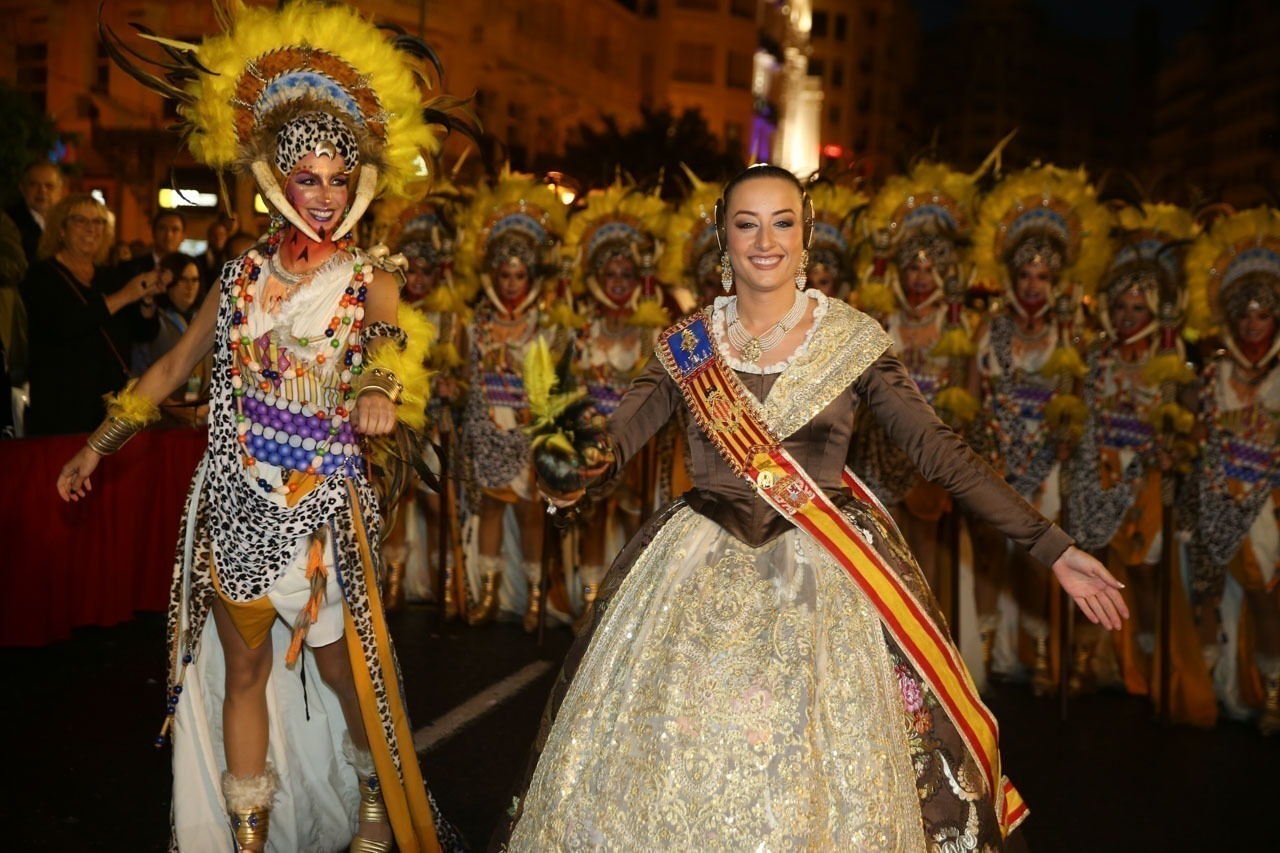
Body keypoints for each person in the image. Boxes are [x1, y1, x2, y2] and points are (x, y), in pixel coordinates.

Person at [507, 165, 1128, 849]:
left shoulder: (852, 341)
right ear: (724, 239)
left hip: (823, 583)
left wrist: (1054, 548)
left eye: (783, 222)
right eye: (747, 223)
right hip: (692, 577)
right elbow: (614, 443)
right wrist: (567, 464)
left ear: (805, 240)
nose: (765, 240)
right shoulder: (686, 345)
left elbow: (940, 452)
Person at [58, 2, 473, 849]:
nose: (320, 196)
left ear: (358, 181)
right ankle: (248, 834)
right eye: (306, 177)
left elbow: (387, 350)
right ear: (277, 179)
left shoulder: (372, 279)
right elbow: (173, 367)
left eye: (334, 177)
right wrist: (96, 446)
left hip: (321, 511)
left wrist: (378, 391)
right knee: (242, 669)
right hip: (237, 497)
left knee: (336, 666)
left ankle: (368, 794)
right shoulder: (244, 271)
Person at [969, 164, 1113, 693]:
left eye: (1043, 276)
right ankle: (982, 657)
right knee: (987, 556)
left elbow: (1078, 407)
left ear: (1058, 282)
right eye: (1025, 275)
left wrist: (1063, 440)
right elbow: (971, 395)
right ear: (1011, 276)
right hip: (994, 459)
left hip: (1047, 463)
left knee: (1043, 558)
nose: (1033, 285)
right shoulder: (990, 329)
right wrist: (984, 443)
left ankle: (1047, 655)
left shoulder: (1071, 332)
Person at [456, 171, 568, 629]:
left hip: (526, 435)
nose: (512, 283)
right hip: (487, 432)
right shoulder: (474, 325)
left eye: (520, 275)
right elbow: (464, 377)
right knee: (488, 509)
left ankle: (537, 599)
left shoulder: (548, 324)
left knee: (529, 516)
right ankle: (486, 594)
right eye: (505, 275)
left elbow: (555, 386)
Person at [1185, 206, 1280, 735]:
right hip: (1215, 493)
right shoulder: (1214, 370)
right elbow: (1198, 432)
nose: (1250, 323)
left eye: (1261, 314)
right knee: (1208, 592)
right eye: (1243, 313)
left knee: (1266, 596)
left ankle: (1271, 693)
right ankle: (1207, 686)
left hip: (1267, 502)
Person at [562, 181, 670, 628]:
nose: (620, 285)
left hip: (636, 445)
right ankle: (590, 601)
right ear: (598, 279)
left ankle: (627, 602)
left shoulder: (652, 333)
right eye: (612, 277)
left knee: (633, 521)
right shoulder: (582, 329)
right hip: (593, 444)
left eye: (627, 277)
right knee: (593, 519)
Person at [21, 192, 163, 435]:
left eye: (98, 222)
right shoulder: (41, 276)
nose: (91, 229)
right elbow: (64, 325)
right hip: (61, 410)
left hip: (110, 412)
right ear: (61, 229)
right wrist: (125, 296)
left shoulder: (110, 276)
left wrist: (147, 300)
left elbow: (143, 332)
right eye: (81, 221)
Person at [132, 252, 212, 426]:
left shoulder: (205, 320)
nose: (190, 287)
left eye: (195, 280)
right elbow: (136, 374)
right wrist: (172, 407)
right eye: (183, 280)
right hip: (157, 422)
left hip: (198, 418)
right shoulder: (152, 320)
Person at [6, 161, 64, 262]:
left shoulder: (69, 220)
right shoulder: (8, 223)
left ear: (60, 191)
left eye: (49, 186)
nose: (42, 191)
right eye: (34, 185)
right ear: (22, 188)